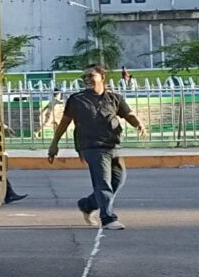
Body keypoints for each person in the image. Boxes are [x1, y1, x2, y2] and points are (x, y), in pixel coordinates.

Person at [48, 61, 143, 229]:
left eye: (91, 76)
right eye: (85, 76)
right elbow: (64, 123)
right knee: (103, 183)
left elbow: (128, 114)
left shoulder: (114, 98)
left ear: (102, 78)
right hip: (91, 146)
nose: (87, 79)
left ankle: (87, 204)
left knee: (118, 180)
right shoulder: (77, 100)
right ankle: (108, 218)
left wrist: (139, 124)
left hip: (113, 145)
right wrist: (54, 144)